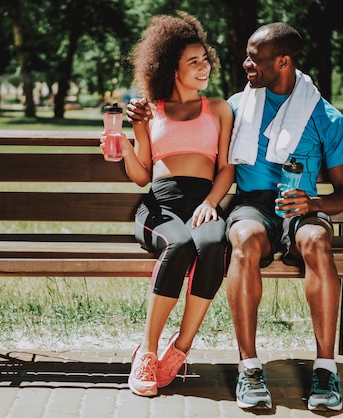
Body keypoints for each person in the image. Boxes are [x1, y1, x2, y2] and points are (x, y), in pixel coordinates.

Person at [223, 22, 343, 411]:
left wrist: (312, 205)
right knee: (244, 237)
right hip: (253, 203)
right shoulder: (236, 107)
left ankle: (326, 371)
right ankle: (248, 369)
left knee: (315, 241)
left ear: (283, 60)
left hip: (302, 204)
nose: (247, 64)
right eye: (247, 55)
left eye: (255, 58)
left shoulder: (326, 117)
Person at [103, 11, 234, 397]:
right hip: (160, 207)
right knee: (180, 243)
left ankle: (181, 348)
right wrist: (126, 143)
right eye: (192, 62)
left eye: (204, 59)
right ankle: (147, 350)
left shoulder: (220, 109)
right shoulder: (151, 110)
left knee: (212, 243)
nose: (203, 67)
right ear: (170, 68)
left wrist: (212, 202)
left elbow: (226, 169)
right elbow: (143, 174)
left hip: (203, 203)